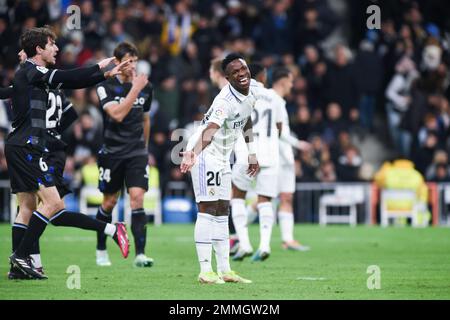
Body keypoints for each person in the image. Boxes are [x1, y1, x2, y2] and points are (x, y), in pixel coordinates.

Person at [7, 27, 131, 279]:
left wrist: (103, 73)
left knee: (27, 206)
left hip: (22, 145)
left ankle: (21, 268)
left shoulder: (29, 75)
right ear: (39, 49)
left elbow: (70, 81)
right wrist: (101, 69)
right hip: (28, 147)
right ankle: (20, 256)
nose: (57, 49)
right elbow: (71, 78)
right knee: (53, 205)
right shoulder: (33, 71)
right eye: (52, 44)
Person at [180, 53, 258, 284]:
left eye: (243, 69)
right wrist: (193, 153)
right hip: (205, 155)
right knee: (207, 209)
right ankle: (205, 270)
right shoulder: (225, 100)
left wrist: (252, 152)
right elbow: (211, 128)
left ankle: (225, 269)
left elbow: (246, 120)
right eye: (236, 72)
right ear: (227, 78)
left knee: (223, 210)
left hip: (224, 158)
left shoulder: (250, 92)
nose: (242, 74)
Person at [95, 41, 154, 268]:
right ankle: (101, 249)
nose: (132, 66)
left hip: (136, 152)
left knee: (137, 198)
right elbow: (117, 115)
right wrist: (135, 89)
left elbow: (145, 118)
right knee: (109, 202)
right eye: (128, 62)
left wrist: (145, 147)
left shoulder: (146, 86)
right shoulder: (105, 86)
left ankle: (140, 254)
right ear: (117, 62)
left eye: (135, 61)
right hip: (112, 152)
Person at [230, 62, 283, 262]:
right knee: (265, 200)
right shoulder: (273, 96)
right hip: (270, 154)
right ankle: (265, 244)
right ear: (263, 76)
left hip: (247, 151)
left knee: (237, 195)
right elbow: (279, 128)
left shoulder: (238, 93)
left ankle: (244, 243)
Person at [271, 67, 311, 251]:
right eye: (290, 81)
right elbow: (278, 132)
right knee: (265, 199)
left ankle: (288, 240)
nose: (292, 85)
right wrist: (298, 144)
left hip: (285, 157)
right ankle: (238, 236)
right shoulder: (270, 99)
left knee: (287, 196)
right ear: (282, 81)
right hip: (273, 157)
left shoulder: (280, 101)